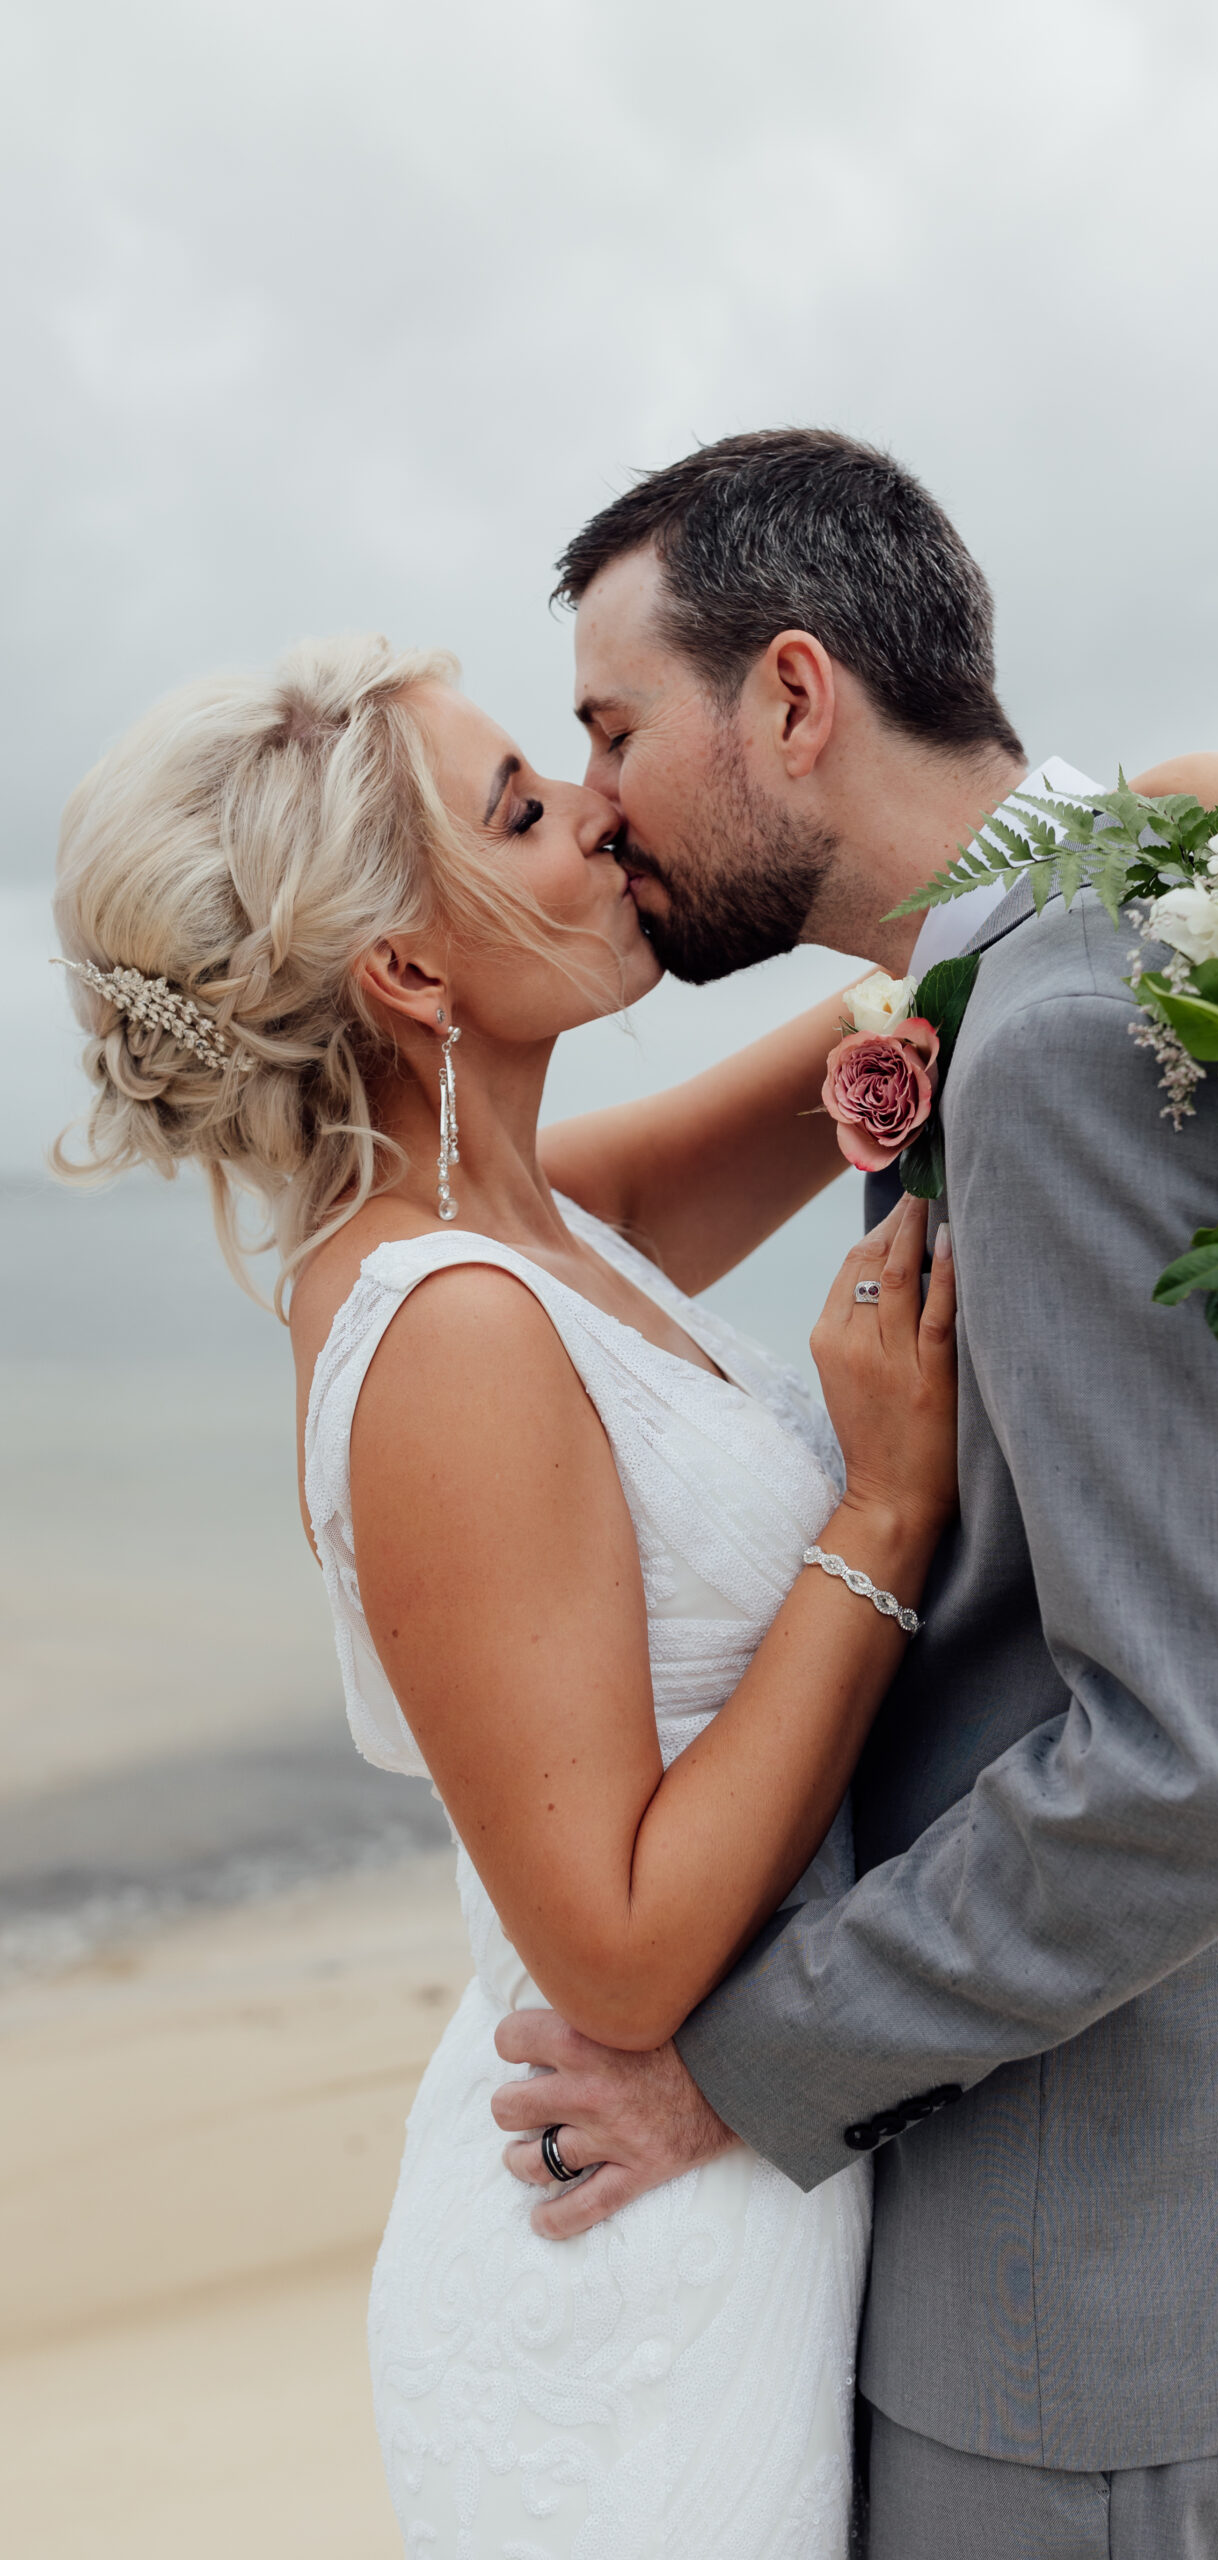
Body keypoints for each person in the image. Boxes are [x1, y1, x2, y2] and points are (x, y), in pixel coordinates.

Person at [493, 429, 1218, 2560]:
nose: (607, 802)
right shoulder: (1069, 961)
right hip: (1124, 2208)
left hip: (1097, 2270)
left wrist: (729, 2067)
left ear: (797, 699)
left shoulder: (1073, 1024)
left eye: (614, 727)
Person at [51, 633, 966, 2557]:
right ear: (404, 968)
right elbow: (619, 1951)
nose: (601, 813)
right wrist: (879, 1513)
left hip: (731, 2193)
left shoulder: (543, 1222)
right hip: (631, 2274)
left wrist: (1192, 839)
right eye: (526, 811)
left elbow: (898, 1007)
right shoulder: (450, 1326)